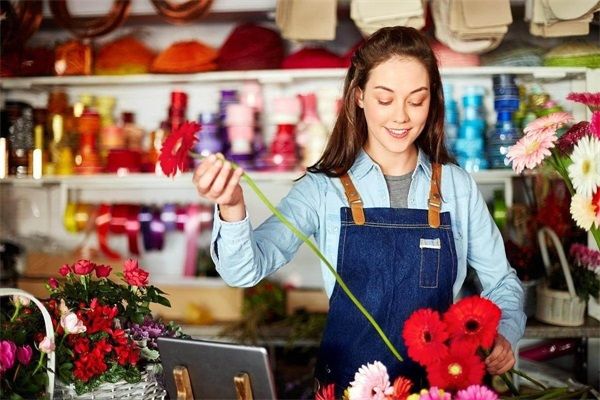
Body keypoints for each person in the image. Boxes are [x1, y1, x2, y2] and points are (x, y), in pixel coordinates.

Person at [192, 26, 526, 391]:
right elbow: (244, 270)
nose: (401, 117)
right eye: (385, 99)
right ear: (359, 96)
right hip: (348, 388)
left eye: (416, 100)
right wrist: (231, 204)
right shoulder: (323, 188)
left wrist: (505, 332)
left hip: (437, 388)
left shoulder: (456, 186)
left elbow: (501, 282)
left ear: (433, 101)